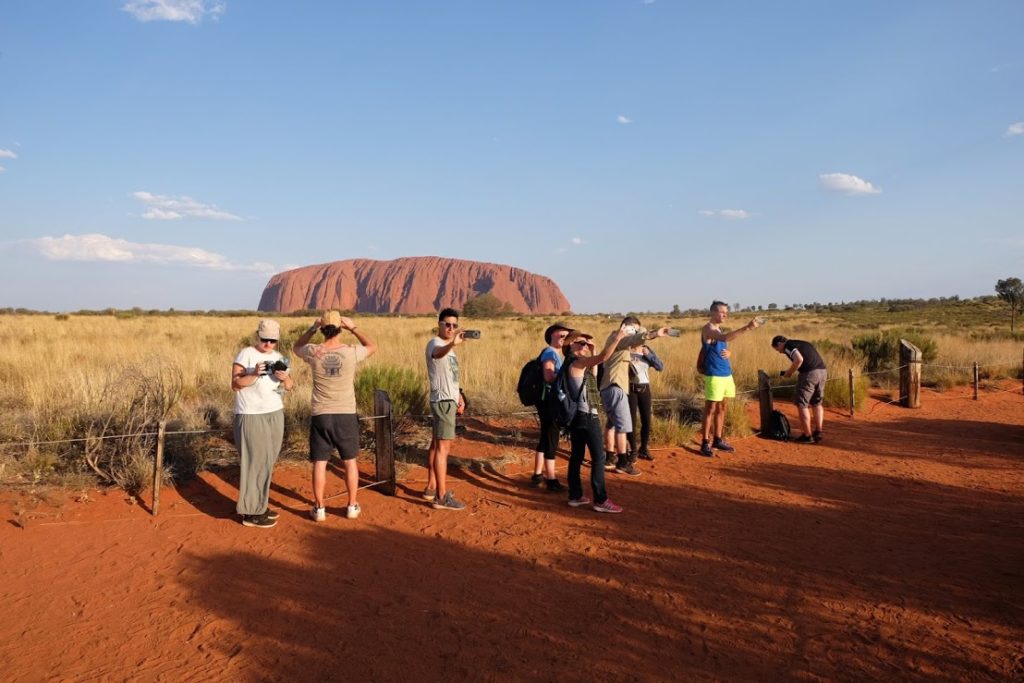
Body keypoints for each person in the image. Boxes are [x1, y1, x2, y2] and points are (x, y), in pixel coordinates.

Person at [294, 311, 377, 522]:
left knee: (320, 463)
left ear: (322, 328)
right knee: (350, 462)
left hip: (321, 414)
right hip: (345, 414)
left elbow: (296, 347)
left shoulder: (313, 351)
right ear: (340, 328)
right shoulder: (350, 352)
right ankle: (351, 505)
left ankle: (319, 508)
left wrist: (311, 328)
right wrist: (354, 328)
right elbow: (372, 347)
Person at [230, 319, 294, 528]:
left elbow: (289, 387)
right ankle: (250, 513)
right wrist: (254, 374)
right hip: (250, 414)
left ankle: (260, 505)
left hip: (274, 413)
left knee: (267, 460)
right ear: (258, 336)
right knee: (254, 462)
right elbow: (235, 384)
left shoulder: (279, 358)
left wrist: (284, 378)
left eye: (272, 340)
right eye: (264, 339)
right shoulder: (246, 354)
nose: (268, 344)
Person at [560, 327, 629, 513]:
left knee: (576, 456)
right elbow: (603, 358)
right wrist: (617, 338)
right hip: (587, 416)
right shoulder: (576, 362)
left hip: (577, 417)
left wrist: (593, 349)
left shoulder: (573, 364)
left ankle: (575, 496)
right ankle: (601, 500)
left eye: (586, 342)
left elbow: (595, 374)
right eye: (581, 343)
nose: (584, 345)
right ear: (569, 345)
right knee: (599, 457)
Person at [599, 317, 671, 476]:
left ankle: (610, 458)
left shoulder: (616, 340)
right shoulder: (620, 340)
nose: (636, 333)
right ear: (627, 328)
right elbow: (637, 338)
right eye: (635, 330)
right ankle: (623, 462)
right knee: (623, 426)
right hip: (617, 387)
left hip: (613, 387)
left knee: (612, 424)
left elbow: (659, 365)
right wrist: (654, 334)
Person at [424, 307, 474, 511]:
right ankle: (441, 497)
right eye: (447, 325)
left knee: (436, 445)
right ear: (439, 324)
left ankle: (430, 488)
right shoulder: (435, 344)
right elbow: (436, 355)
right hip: (443, 402)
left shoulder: (449, 348)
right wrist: (453, 343)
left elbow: (450, 376)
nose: (451, 328)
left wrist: (459, 395)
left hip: (449, 399)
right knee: (443, 449)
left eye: (454, 325)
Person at [699, 301, 762, 457]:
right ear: (713, 313)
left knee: (722, 408)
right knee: (710, 409)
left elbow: (721, 346)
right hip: (714, 374)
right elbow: (724, 337)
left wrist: (729, 354)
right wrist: (747, 327)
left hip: (726, 374)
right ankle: (705, 443)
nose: (725, 315)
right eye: (722, 312)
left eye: (726, 312)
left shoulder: (719, 329)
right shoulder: (708, 328)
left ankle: (718, 439)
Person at [529, 323, 572, 492]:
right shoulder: (549, 352)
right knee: (552, 439)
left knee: (545, 436)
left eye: (566, 337)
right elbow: (548, 376)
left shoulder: (554, 353)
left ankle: (537, 474)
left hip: (546, 400)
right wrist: (565, 375)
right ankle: (551, 479)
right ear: (552, 335)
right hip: (549, 401)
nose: (564, 339)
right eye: (561, 336)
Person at [771, 335, 828, 443]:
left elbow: (799, 359)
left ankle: (807, 435)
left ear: (779, 344)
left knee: (802, 404)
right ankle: (818, 432)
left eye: (777, 349)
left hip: (809, 374)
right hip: (822, 371)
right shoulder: (802, 343)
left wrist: (789, 372)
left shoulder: (788, 345)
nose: (779, 352)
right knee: (817, 403)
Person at [627, 341, 664, 461]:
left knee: (646, 420)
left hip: (644, 389)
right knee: (631, 420)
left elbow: (660, 367)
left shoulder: (646, 350)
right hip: (630, 388)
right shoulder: (625, 350)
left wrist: (648, 354)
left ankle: (643, 448)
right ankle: (632, 450)